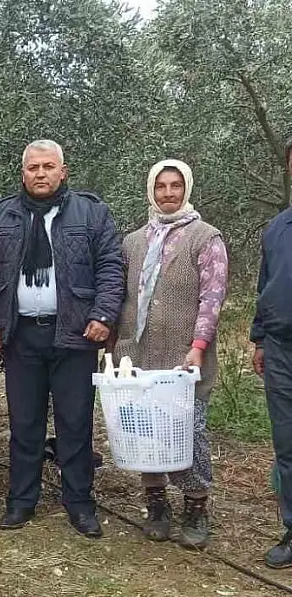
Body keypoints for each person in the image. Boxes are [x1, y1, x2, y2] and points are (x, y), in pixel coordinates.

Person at [0, 139, 124, 538]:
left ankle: (79, 504)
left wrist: (103, 314)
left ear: (63, 171)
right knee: (25, 424)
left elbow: (111, 266)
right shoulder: (3, 215)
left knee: (75, 423)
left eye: (47, 167)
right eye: (32, 168)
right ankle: (21, 501)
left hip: (75, 333)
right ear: (22, 173)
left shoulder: (91, 213)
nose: (39, 174)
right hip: (21, 335)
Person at [111, 160, 227, 550]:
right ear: (151, 190)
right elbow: (121, 295)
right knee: (144, 431)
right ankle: (156, 503)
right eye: (160, 186)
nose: (167, 193)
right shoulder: (133, 241)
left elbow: (212, 298)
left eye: (175, 185)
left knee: (189, 433)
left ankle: (195, 505)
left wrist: (197, 348)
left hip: (184, 358)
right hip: (137, 353)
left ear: (187, 188)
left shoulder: (206, 238)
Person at [254, 135, 292, 569]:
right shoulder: (278, 227)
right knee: (287, 444)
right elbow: (265, 288)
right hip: (282, 349)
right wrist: (259, 337)